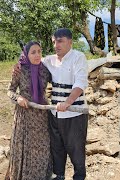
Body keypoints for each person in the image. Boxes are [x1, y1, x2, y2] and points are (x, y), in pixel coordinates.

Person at [46, 28, 89, 180]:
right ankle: (59, 176)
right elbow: (32, 63)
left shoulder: (78, 57)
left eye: (60, 41)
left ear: (70, 42)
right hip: (54, 113)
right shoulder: (49, 60)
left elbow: (80, 83)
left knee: (76, 150)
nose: (56, 45)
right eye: (54, 42)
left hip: (74, 114)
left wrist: (68, 102)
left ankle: (79, 177)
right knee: (56, 148)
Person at [5, 41, 52, 179]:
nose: (37, 55)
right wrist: (18, 98)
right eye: (33, 52)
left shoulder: (45, 70)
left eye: (39, 51)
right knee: (25, 149)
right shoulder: (20, 69)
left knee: (43, 148)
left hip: (42, 116)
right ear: (26, 54)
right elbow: (10, 91)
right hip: (24, 116)